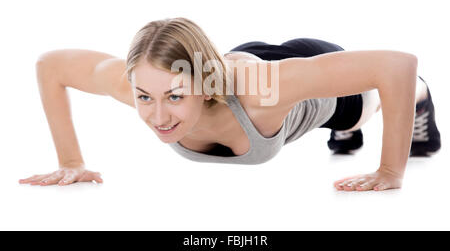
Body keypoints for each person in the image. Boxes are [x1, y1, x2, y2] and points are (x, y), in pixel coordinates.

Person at [19, 17, 441, 191]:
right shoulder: (141, 80)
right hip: (237, 62)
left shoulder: (264, 90)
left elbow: (396, 65)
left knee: (363, 108)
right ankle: (345, 133)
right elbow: (50, 66)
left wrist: (390, 171)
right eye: (144, 97)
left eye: (175, 97)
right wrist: (70, 160)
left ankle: (416, 104)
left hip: (309, 78)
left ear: (203, 85)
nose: (157, 116)